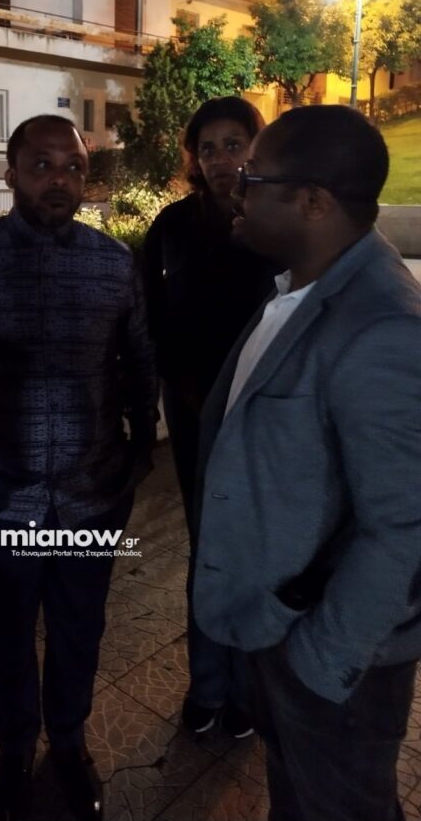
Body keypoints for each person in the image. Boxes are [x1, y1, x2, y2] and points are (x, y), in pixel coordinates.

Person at [0, 114, 158, 821]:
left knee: (80, 629)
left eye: (73, 167)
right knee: (6, 634)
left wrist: (140, 448)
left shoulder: (113, 264)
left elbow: (140, 360)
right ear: (11, 174)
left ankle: (69, 744)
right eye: (41, 165)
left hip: (91, 496)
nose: (59, 180)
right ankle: (15, 751)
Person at [193, 104, 421, 821]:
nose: (236, 189)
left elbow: (405, 528)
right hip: (279, 624)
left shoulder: (382, 328)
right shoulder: (301, 286)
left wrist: (318, 660)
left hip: (334, 664)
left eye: (253, 177)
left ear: (313, 202)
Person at [141, 96, 277, 737]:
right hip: (195, 408)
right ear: (194, 158)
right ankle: (208, 683)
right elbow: (150, 316)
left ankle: (247, 689)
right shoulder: (172, 226)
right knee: (208, 545)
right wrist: (173, 388)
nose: (221, 159)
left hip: (266, 415)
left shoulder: (277, 222)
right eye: (208, 148)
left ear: (256, 147)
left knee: (257, 547)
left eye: (233, 144)